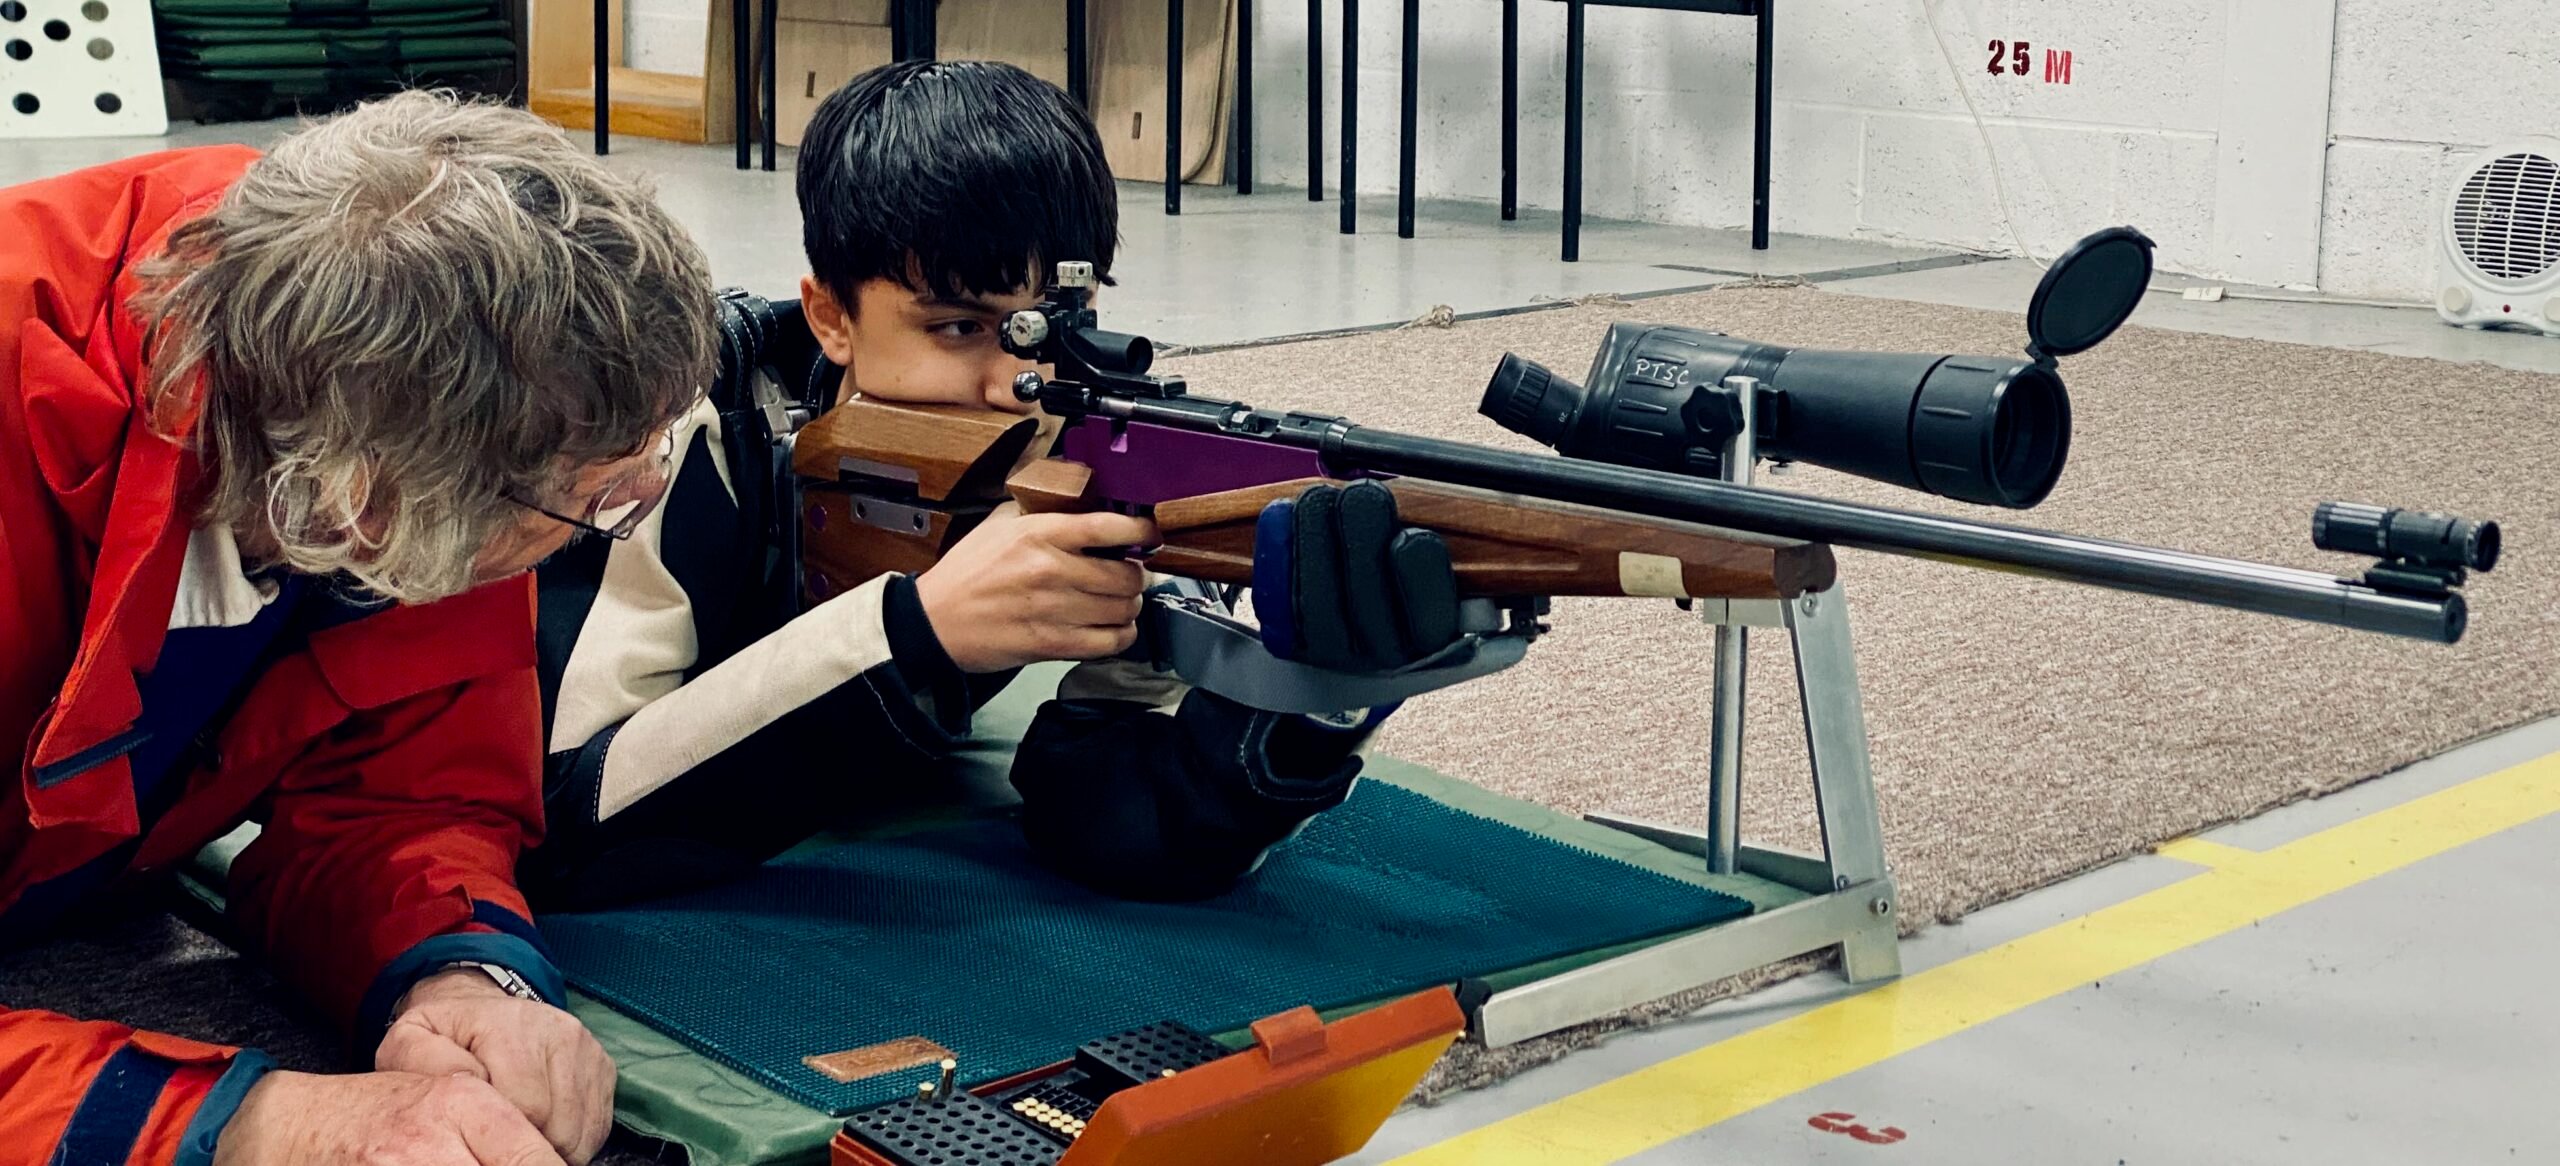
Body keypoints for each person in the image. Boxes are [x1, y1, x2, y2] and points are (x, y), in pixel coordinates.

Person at [522, 60, 1466, 912]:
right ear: (830, 318)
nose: (1015, 384)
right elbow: (566, 819)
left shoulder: (1100, 442)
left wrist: (1303, 709)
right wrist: (919, 632)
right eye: (959, 328)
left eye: (1049, 329)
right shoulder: (683, 431)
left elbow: (1108, 820)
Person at [1, 91, 717, 1165]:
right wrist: (246, 1125)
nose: (610, 523)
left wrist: (459, 969)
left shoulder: (412, 374)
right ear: (354, 506)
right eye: (597, 500)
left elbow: (406, 790)